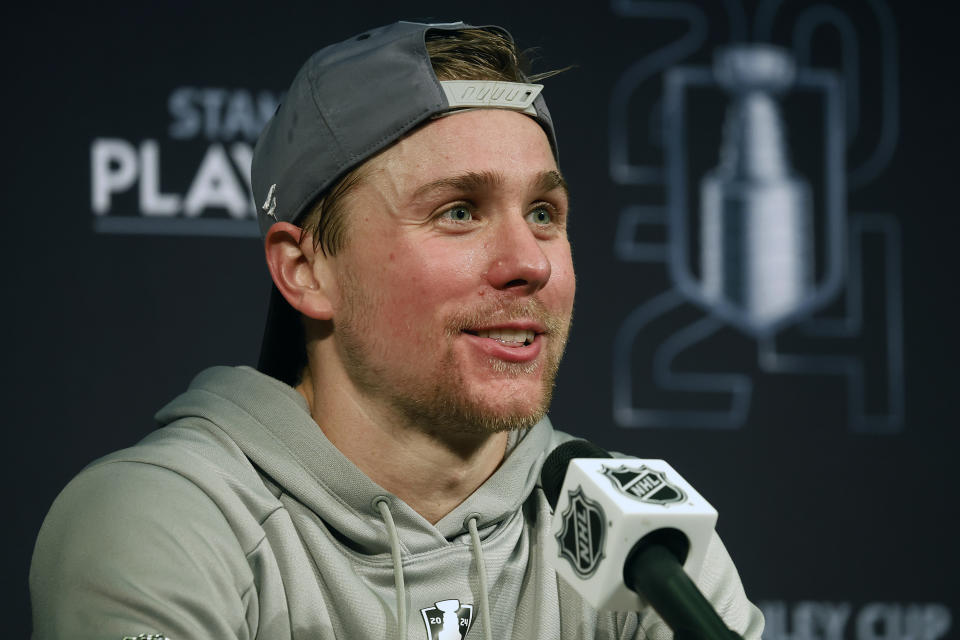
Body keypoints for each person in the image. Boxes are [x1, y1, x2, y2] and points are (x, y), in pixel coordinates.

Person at [30, 20, 764, 640]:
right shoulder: (167, 520)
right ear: (305, 269)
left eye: (543, 214)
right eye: (459, 211)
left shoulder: (644, 544)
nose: (526, 264)